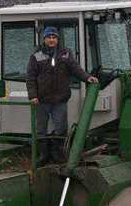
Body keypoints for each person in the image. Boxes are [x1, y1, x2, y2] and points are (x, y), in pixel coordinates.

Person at [26, 26, 98, 163]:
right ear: (44, 39)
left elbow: (76, 69)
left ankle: (57, 154)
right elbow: (30, 78)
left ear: (58, 39)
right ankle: (43, 156)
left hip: (60, 99)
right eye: (49, 37)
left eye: (54, 37)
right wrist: (33, 96)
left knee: (61, 128)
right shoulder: (36, 56)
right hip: (41, 100)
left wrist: (88, 78)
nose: (51, 40)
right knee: (40, 129)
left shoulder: (66, 54)